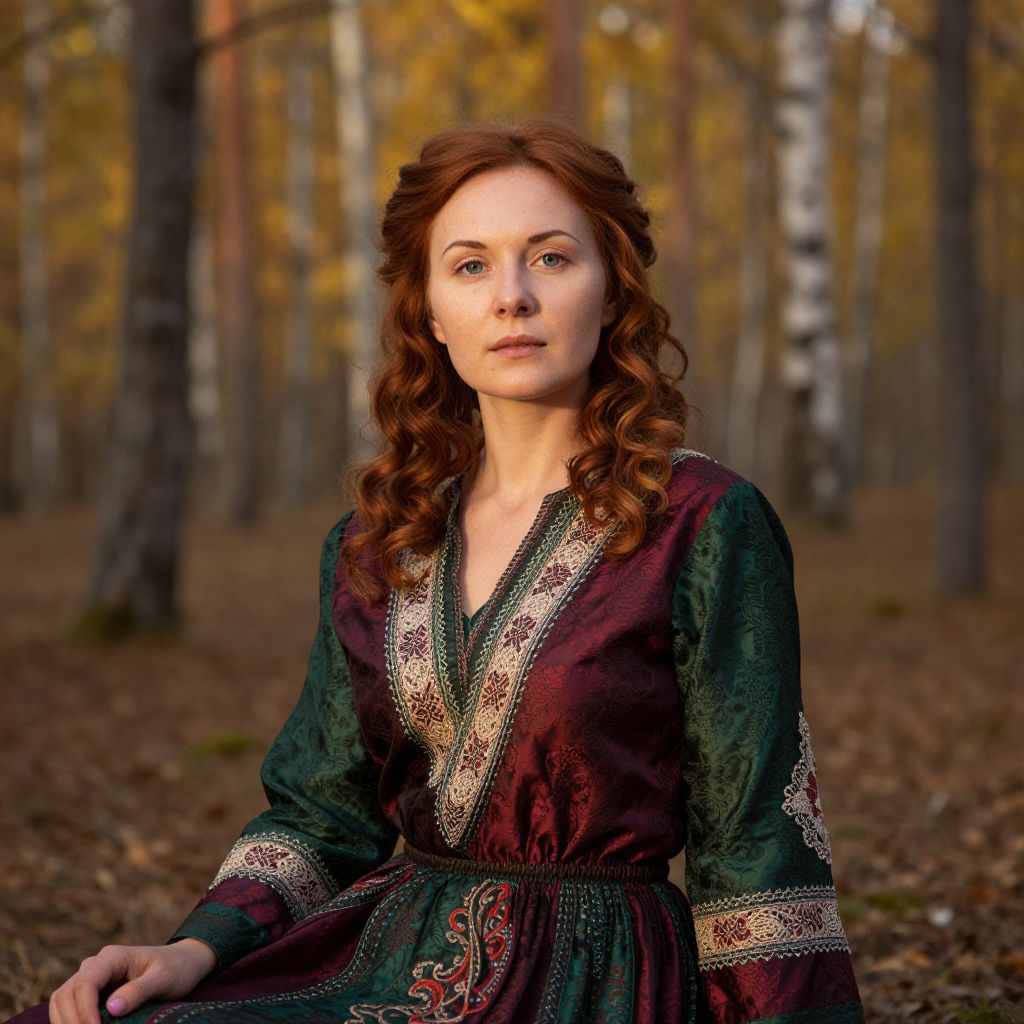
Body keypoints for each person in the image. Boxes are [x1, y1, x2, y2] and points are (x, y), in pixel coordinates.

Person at [15, 117, 865, 1024]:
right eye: (469, 265)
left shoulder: (702, 522)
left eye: (550, 258)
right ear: (428, 307)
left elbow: (758, 840)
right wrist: (196, 947)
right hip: (385, 950)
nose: (511, 297)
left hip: (593, 980)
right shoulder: (382, 542)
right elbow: (322, 812)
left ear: (613, 289)